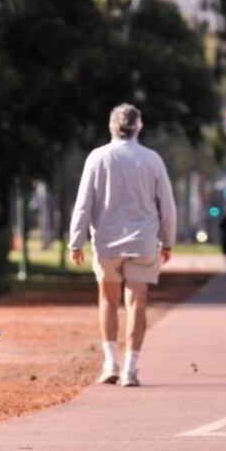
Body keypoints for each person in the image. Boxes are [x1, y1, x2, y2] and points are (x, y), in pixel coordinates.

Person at [69, 103, 177, 389]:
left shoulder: (98, 157)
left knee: (108, 300)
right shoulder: (152, 160)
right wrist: (168, 240)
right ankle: (130, 368)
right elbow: (167, 205)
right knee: (137, 302)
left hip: (106, 242)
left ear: (111, 126)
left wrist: (76, 241)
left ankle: (110, 364)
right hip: (143, 242)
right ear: (139, 127)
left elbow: (83, 203)